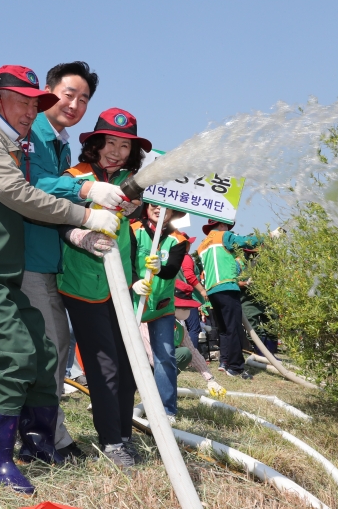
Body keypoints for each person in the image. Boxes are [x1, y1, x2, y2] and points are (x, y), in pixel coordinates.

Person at [0, 65, 120, 496]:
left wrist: (76, 228)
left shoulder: (12, 144)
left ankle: (39, 444)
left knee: (43, 351)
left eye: (35, 104)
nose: (31, 111)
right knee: (13, 354)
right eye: (22, 102)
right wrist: (85, 213)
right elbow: (19, 194)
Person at [18, 61, 118, 459]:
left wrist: (80, 231)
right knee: (48, 348)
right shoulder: (31, 134)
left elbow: (56, 205)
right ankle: (40, 440)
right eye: (68, 94)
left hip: (47, 257)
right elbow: (31, 185)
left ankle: (49, 437)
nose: (75, 104)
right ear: (48, 92)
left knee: (56, 345)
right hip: (26, 255)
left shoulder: (58, 141)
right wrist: (85, 190)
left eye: (84, 99)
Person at [57, 107, 151, 468]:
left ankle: (124, 435)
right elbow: (54, 217)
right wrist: (78, 235)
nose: (116, 151)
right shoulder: (74, 178)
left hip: (120, 285)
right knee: (104, 364)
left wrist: (138, 207)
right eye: (110, 142)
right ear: (95, 143)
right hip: (83, 285)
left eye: (125, 146)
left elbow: (144, 215)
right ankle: (111, 443)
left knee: (129, 363)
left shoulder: (134, 181)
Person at [130, 204, 189, 420]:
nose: (159, 209)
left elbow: (171, 270)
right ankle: (118, 401)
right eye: (154, 205)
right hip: (132, 303)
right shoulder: (133, 229)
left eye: (165, 207)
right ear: (146, 207)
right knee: (124, 354)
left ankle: (166, 409)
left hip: (162, 306)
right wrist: (134, 282)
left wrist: (159, 269)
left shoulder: (178, 239)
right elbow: (126, 262)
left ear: (173, 212)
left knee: (165, 356)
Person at [198, 219, 263, 379]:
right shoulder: (223, 236)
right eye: (227, 226)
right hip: (226, 287)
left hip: (212, 291)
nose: (229, 230)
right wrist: (267, 237)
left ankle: (224, 362)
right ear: (222, 225)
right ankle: (236, 368)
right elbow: (245, 242)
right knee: (234, 328)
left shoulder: (202, 245)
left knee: (224, 330)